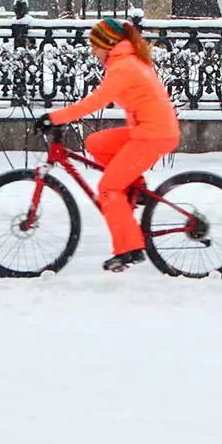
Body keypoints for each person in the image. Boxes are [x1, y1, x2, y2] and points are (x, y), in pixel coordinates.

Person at [43, 18, 179, 272]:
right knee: (96, 142)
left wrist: (54, 117)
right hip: (147, 130)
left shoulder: (124, 66)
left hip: (153, 135)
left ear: (107, 44)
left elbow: (96, 102)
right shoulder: (126, 61)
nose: (93, 52)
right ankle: (134, 187)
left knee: (108, 188)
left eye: (95, 46)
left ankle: (129, 249)